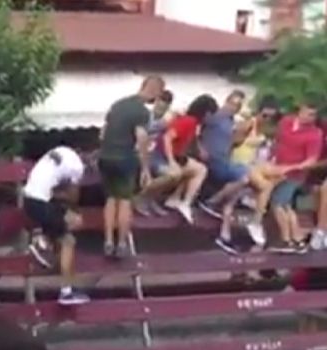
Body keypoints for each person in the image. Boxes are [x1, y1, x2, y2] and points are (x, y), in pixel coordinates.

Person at [98, 76, 165, 258]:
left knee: (111, 199)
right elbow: (141, 138)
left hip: (105, 157)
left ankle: (108, 241)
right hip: (124, 158)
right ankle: (121, 244)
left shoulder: (118, 104)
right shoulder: (142, 112)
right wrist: (144, 168)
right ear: (155, 90)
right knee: (125, 201)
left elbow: (103, 133)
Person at [251, 103, 323, 254]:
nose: (308, 117)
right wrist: (271, 158)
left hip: (294, 175)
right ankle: (297, 240)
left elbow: (311, 161)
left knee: (278, 203)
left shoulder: (315, 134)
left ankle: (286, 241)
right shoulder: (286, 122)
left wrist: (290, 168)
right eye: (306, 113)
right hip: (276, 168)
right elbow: (278, 142)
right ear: (300, 110)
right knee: (286, 206)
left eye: (312, 115)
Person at [196, 91, 262, 254]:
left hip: (224, 161)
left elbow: (233, 143)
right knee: (247, 176)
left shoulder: (231, 120)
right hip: (213, 161)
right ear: (226, 101)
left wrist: (244, 132)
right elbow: (195, 130)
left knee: (238, 189)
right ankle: (212, 202)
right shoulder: (214, 116)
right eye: (232, 103)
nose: (234, 107)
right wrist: (201, 148)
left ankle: (225, 235)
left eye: (237, 105)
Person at [23, 146, 90, 306]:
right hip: (41, 203)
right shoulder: (77, 167)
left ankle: (44, 240)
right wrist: (73, 210)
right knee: (69, 240)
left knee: (59, 226)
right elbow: (73, 196)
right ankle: (66, 292)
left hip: (30, 199)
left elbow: (51, 189)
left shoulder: (59, 152)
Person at [138, 94, 217, 225]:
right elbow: (167, 138)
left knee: (200, 169)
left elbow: (193, 139)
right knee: (174, 174)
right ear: (206, 113)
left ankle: (181, 201)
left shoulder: (195, 123)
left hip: (176, 156)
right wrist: (171, 162)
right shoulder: (188, 121)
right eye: (210, 114)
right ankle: (142, 196)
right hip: (159, 156)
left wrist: (200, 149)